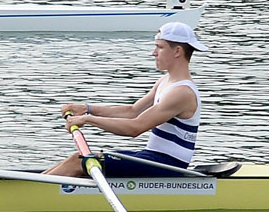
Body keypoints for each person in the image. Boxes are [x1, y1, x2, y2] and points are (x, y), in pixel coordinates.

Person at [45, 21, 210, 180]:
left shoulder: (182, 93)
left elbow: (135, 128)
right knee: (80, 158)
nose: (153, 53)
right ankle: (32, 184)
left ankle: (26, 195)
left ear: (177, 51)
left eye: (160, 47)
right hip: (152, 158)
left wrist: (87, 119)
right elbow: (132, 112)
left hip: (167, 166)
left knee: (80, 162)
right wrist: (87, 108)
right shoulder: (166, 81)